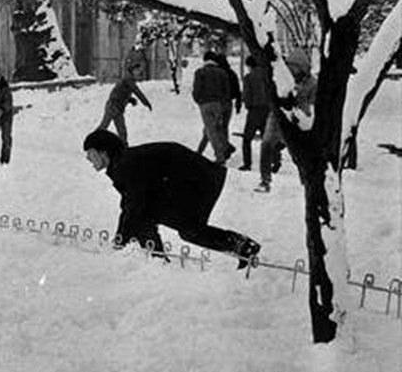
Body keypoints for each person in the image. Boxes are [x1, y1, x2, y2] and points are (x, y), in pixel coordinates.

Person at [83, 129, 261, 268]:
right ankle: (157, 258)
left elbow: (134, 205)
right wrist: (122, 238)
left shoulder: (124, 165)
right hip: (196, 178)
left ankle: (158, 260)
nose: (88, 158)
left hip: (198, 179)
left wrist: (120, 240)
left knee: (186, 228)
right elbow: (130, 204)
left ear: (103, 152)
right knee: (159, 218)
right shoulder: (124, 162)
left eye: (90, 153)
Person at [255, 51, 314, 193]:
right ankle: (265, 180)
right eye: (290, 67)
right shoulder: (283, 79)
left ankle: (306, 181)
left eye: (296, 67)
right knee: (266, 145)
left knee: (298, 153)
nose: (292, 71)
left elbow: (312, 104)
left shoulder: (312, 83)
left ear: (304, 68)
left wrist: (302, 109)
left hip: (297, 120)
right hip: (276, 117)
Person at [96, 58, 153, 145]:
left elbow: (122, 92)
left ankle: (124, 149)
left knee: (122, 131)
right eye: (137, 70)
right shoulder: (128, 79)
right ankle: (92, 142)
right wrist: (146, 102)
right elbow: (137, 91)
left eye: (139, 70)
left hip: (118, 108)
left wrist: (130, 100)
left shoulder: (129, 80)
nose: (139, 72)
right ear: (132, 70)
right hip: (113, 107)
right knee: (104, 127)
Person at [192, 51, 236, 163]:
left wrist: (198, 101)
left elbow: (196, 89)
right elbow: (226, 90)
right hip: (218, 104)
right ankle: (224, 146)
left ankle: (220, 156)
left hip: (205, 104)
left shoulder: (200, 72)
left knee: (211, 131)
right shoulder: (222, 73)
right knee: (216, 128)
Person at [239, 55, 270, 171]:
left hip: (254, 110)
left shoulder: (248, 77)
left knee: (247, 138)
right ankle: (274, 161)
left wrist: (247, 105)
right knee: (267, 138)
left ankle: (247, 163)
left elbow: (246, 95)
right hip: (267, 109)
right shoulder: (267, 75)